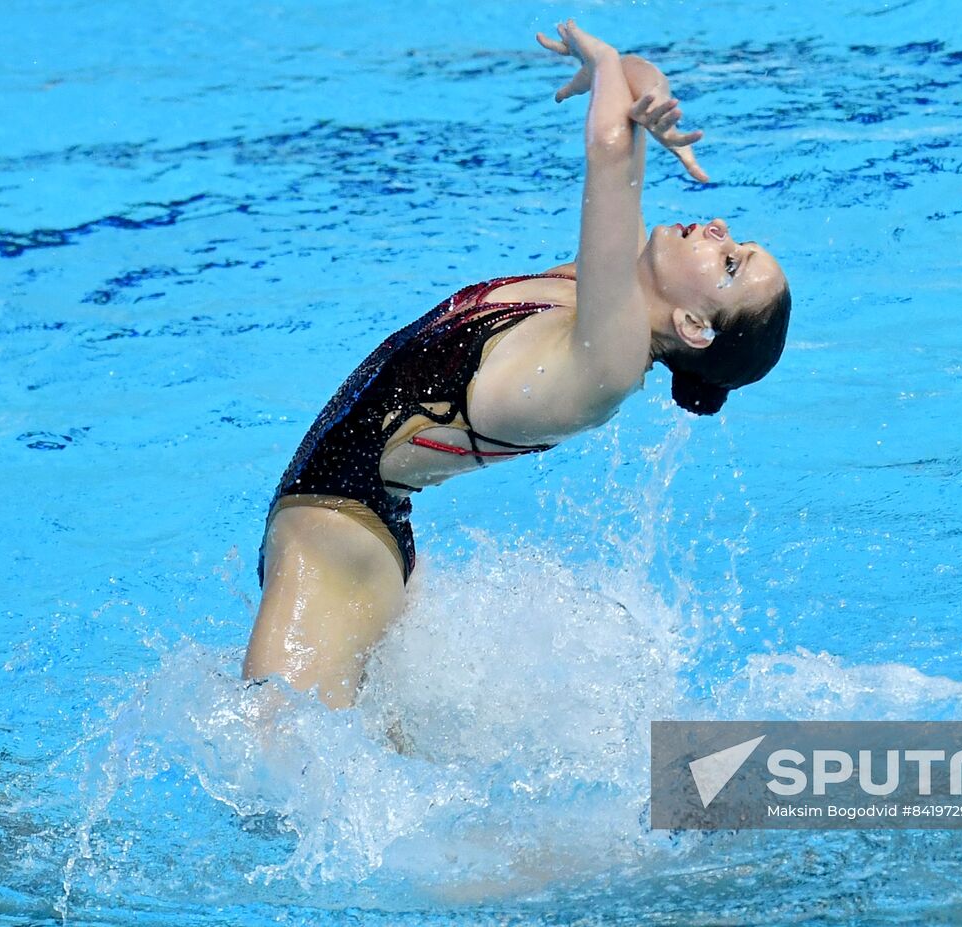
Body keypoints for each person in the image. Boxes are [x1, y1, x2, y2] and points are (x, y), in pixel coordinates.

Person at [242, 20, 792, 708]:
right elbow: (630, 114)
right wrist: (642, 87)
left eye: (731, 263)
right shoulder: (605, 289)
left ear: (692, 326)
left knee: (266, 786)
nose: (719, 230)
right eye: (737, 239)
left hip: (334, 541)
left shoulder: (612, 358)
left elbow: (608, 147)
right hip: (361, 529)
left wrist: (603, 60)